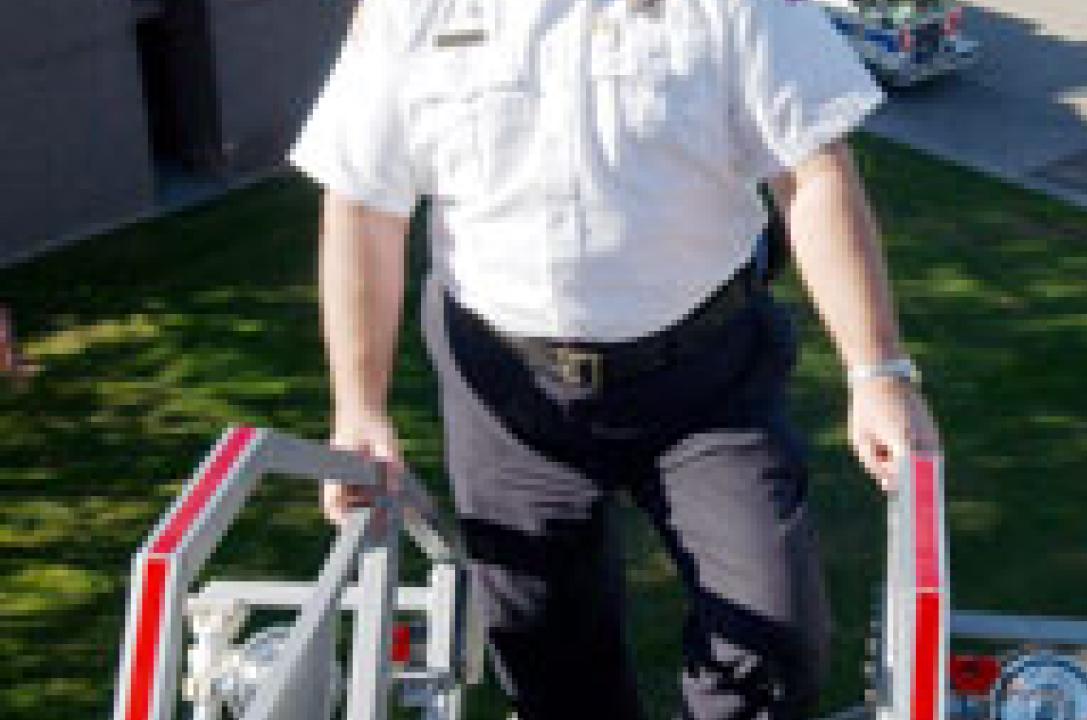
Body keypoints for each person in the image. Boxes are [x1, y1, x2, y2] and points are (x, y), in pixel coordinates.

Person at [287, 0, 941, 717]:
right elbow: (361, 205)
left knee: (776, 639)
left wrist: (878, 370)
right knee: (548, 660)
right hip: (508, 403)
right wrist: (358, 407)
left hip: (704, 384)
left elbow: (813, 174)